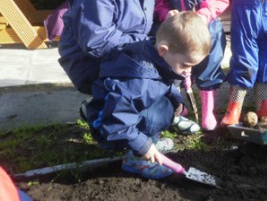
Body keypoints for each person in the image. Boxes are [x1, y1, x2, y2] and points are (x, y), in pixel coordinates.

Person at [82, 12, 211, 180]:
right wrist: (142, 146)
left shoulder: (157, 56)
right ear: (163, 50)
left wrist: (176, 101)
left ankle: (151, 143)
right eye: (186, 64)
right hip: (109, 125)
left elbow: (163, 82)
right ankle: (136, 160)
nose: (188, 71)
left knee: (165, 107)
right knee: (155, 116)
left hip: (128, 115)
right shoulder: (137, 81)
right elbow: (116, 120)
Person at [154, 0, 230, 131]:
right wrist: (166, 13)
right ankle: (180, 105)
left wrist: (202, 16)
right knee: (174, 66)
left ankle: (207, 111)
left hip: (206, 30)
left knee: (207, 66)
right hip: (178, 30)